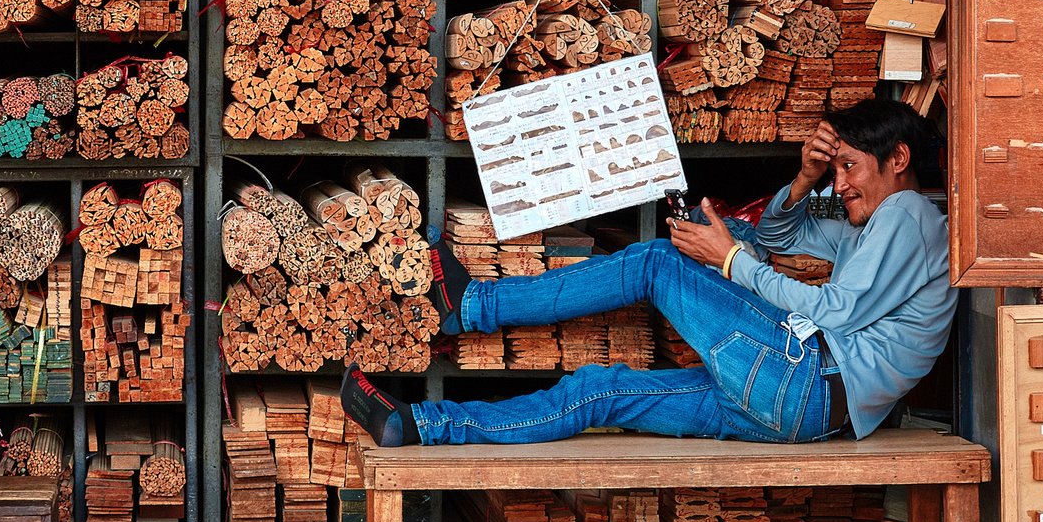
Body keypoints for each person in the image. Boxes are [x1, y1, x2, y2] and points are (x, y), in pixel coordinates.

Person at [340, 98, 954, 450]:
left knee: (659, 262)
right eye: (836, 170)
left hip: (804, 377)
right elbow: (776, 236)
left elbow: (834, 311)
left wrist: (728, 260)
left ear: (898, 159)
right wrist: (804, 178)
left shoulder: (909, 213)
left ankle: (472, 305)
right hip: (806, 416)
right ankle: (418, 424)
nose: (841, 183)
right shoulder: (870, 218)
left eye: (849, 167)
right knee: (597, 391)